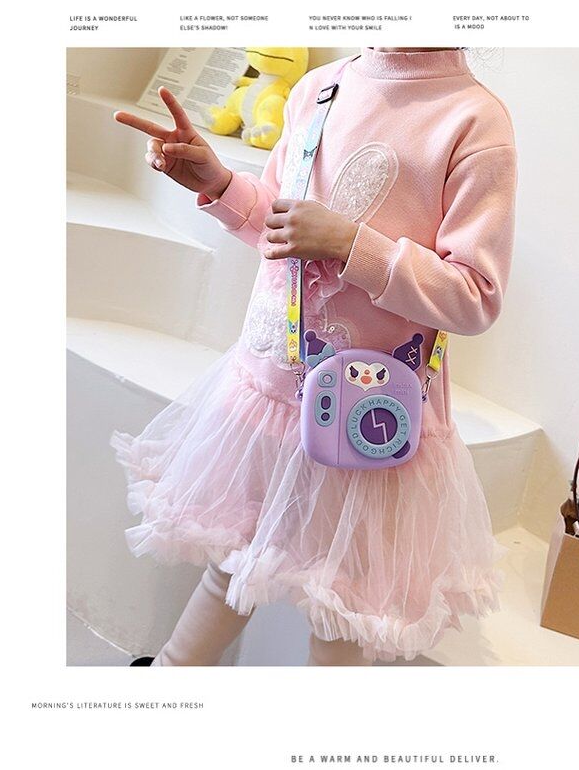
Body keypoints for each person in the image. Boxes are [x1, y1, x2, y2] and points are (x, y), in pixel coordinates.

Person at [111, 46, 517, 666]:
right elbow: (278, 225)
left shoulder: (473, 120)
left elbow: (474, 297)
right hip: (268, 391)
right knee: (234, 559)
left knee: (341, 606)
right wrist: (219, 185)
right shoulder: (322, 86)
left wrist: (353, 244)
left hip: (368, 417)